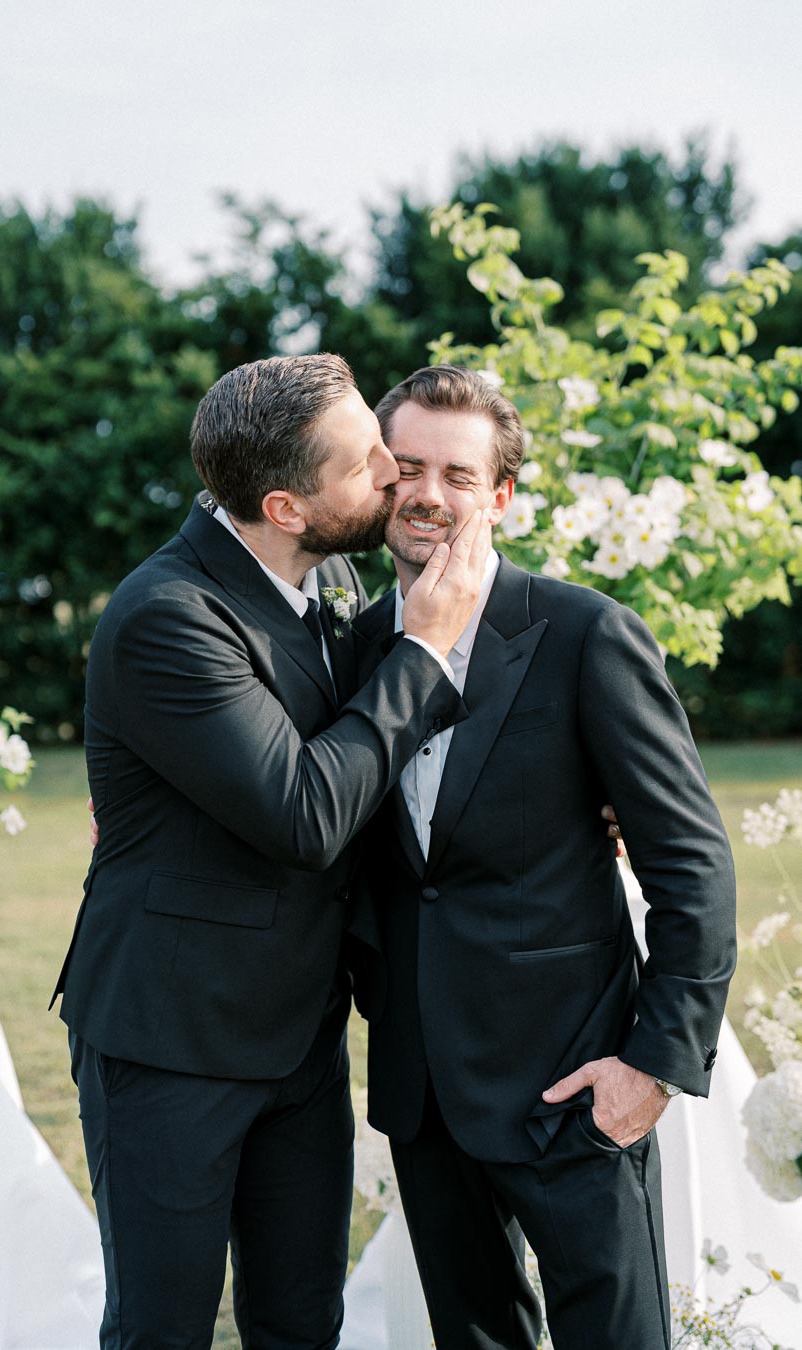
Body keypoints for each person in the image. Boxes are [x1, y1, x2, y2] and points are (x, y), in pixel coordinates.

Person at [50, 353, 493, 1350]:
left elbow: (382, 762)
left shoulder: (329, 575)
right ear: (286, 508)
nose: (392, 470)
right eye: (365, 462)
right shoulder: (166, 617)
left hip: (302, 1031)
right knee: (163, 1327)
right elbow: (306, 811)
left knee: (301, 1319)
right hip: (170, 1034)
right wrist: (424, 650)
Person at [348, 365, 737, 1350]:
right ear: (379, 480)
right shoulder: (350, 651)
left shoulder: (586, 635)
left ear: (502, 498)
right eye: (407, 468)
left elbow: (692, 864)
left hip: (574, 1083)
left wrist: (654, 1065)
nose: (429, 494)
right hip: (422, 1089)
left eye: (459, 475)